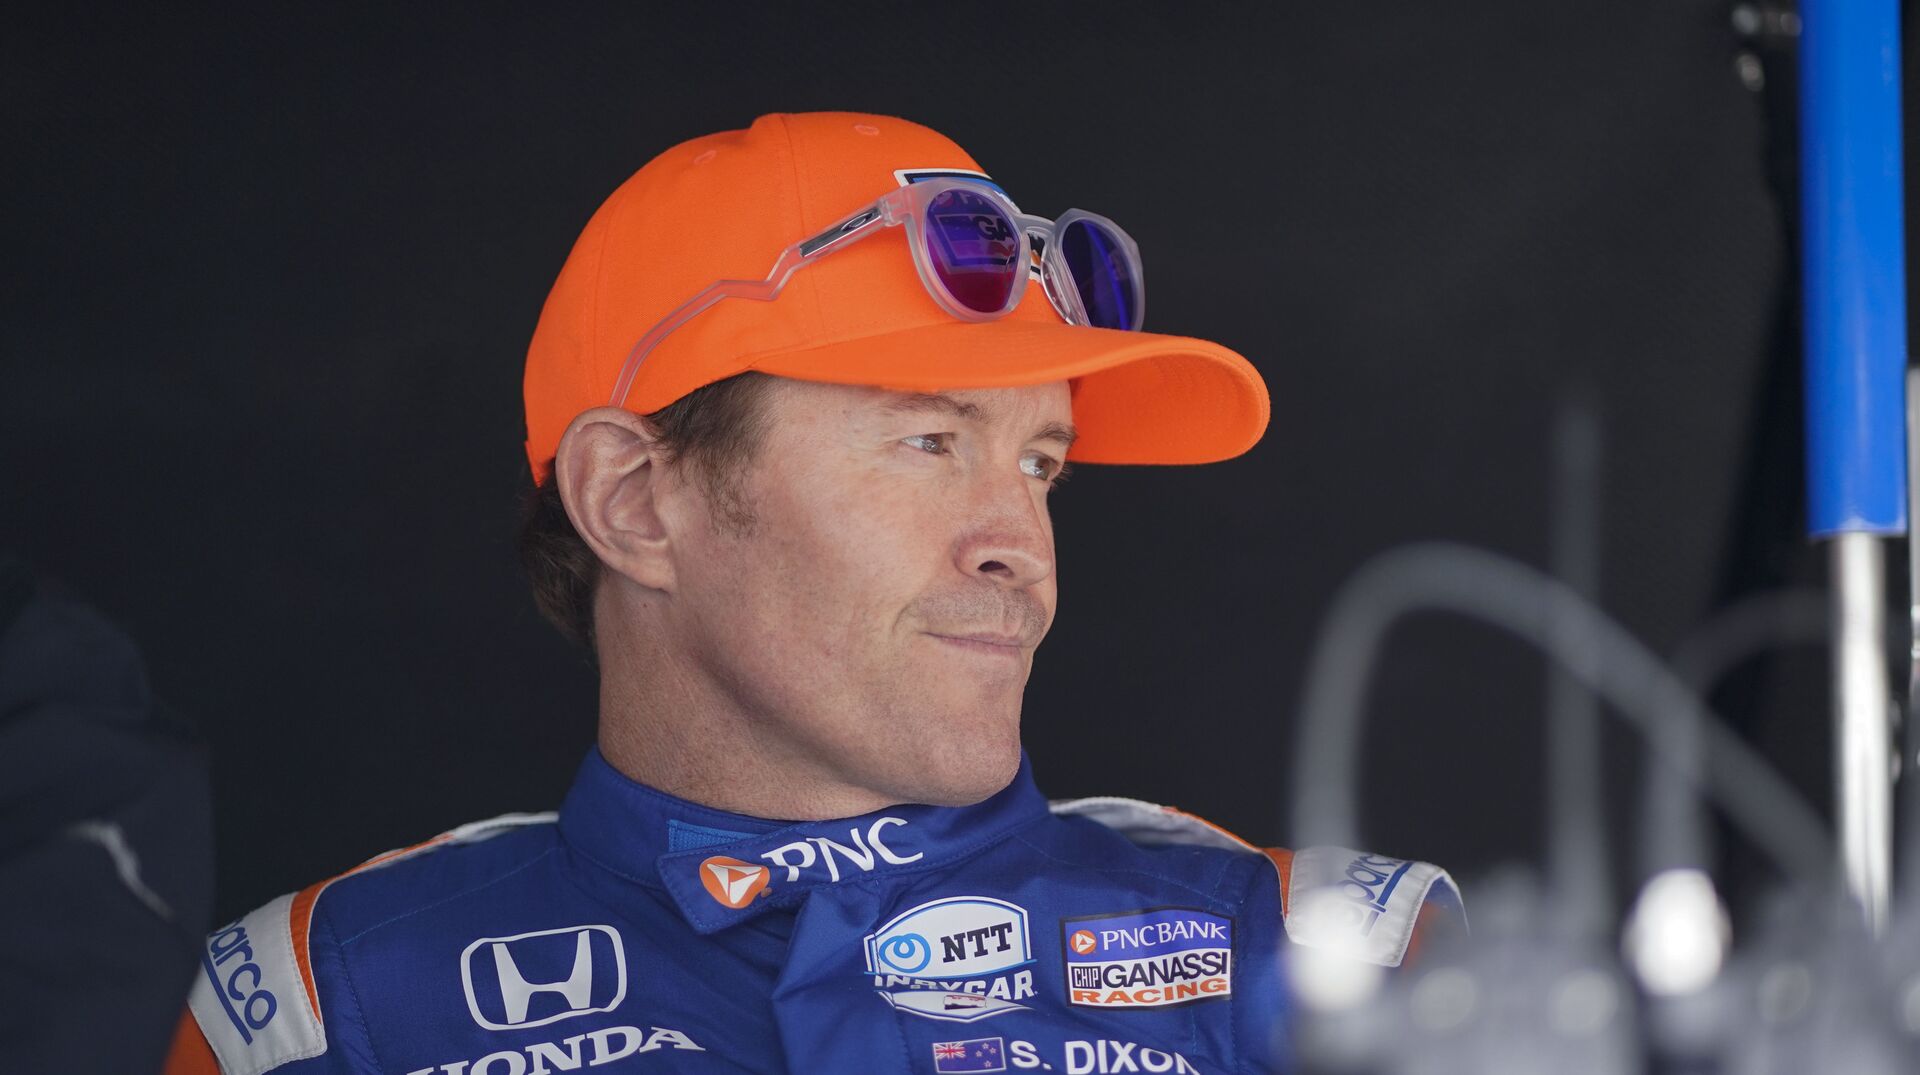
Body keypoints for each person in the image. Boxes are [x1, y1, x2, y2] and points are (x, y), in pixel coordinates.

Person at [165, 112, 1462, 1075]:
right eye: (929, 441)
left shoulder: (1332, 965)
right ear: (635, 501)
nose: (1021, 547)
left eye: (1041, 463)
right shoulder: (322, 1013)